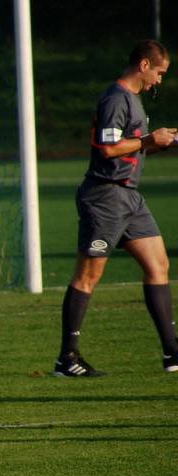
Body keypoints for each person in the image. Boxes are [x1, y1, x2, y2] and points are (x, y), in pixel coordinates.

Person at [55, 40, 178, 377]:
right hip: (105, 197)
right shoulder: (116, 98)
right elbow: (107, 149)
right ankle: (67, 358)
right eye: (159, 72)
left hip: (129, 197)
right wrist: (151, 140)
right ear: (143, 65)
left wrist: (162, 143)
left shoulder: (134, 101)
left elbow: (131, 150)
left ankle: (172, 353)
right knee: (88, 275)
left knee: (158, 264)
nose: (160, 80)